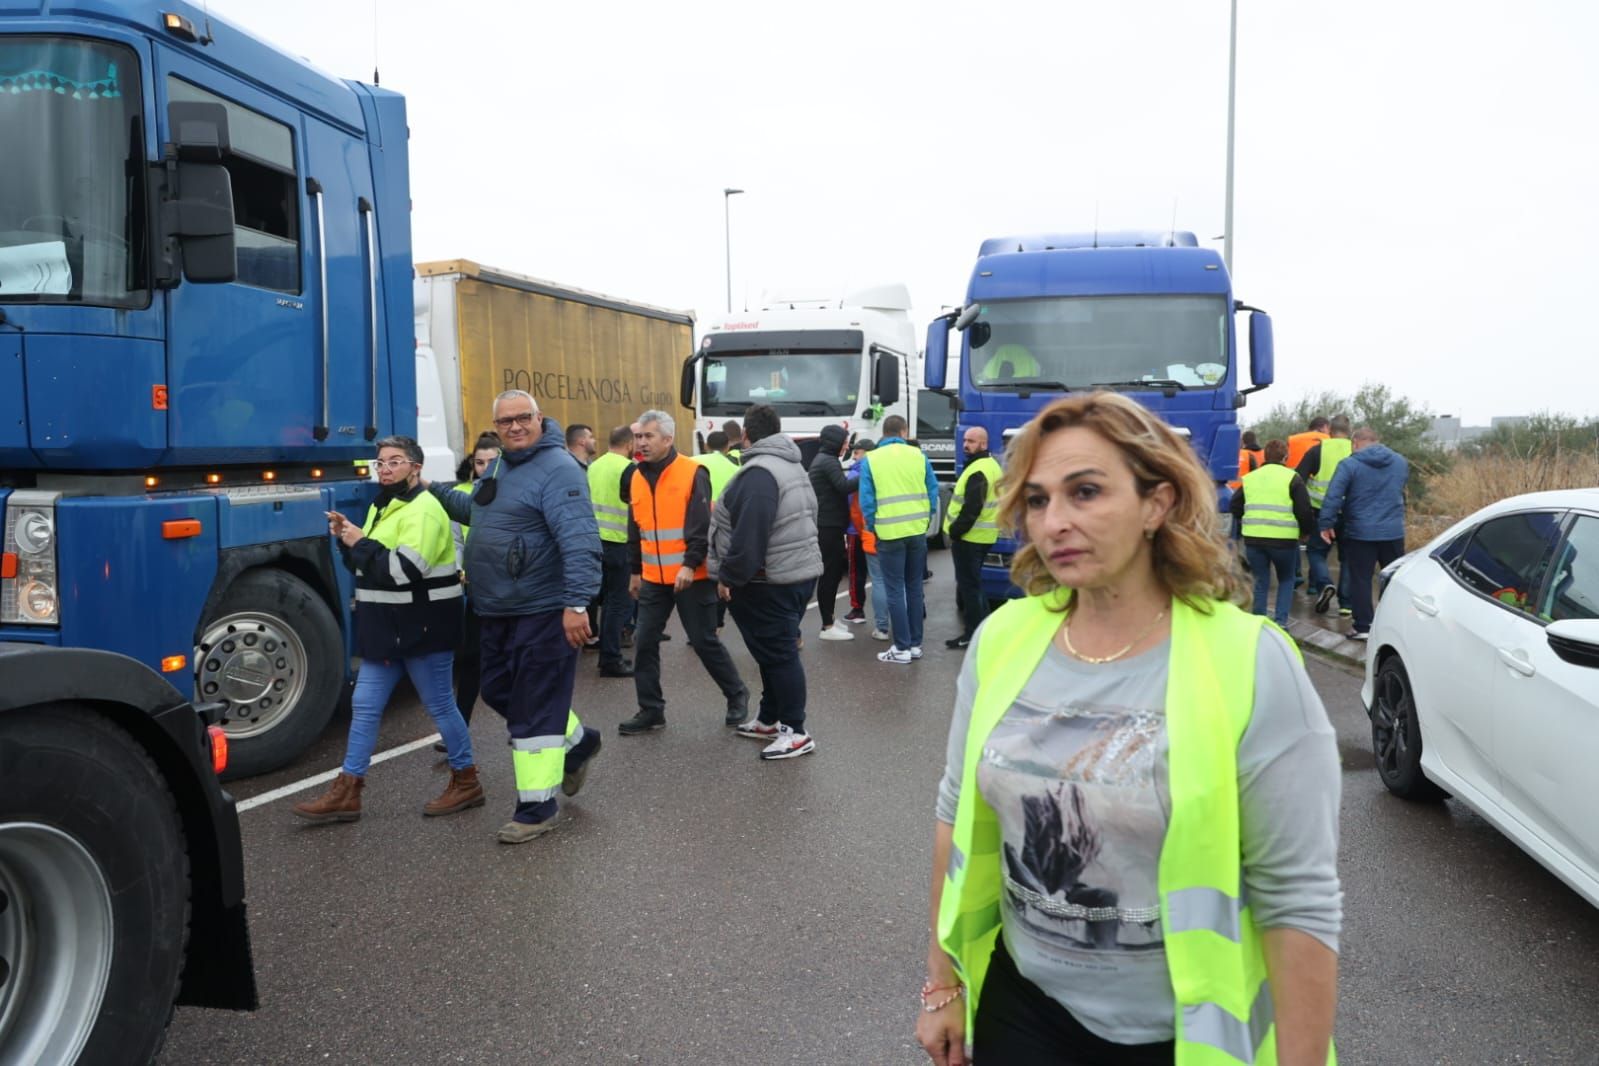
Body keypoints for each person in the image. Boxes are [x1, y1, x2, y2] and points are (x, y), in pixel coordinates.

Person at [918, 392, 1340, 1066]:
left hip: (1185, 1033)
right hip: (1023, 1010)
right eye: (1036, 500)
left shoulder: (1248, 660)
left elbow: (1298, 898)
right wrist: (942, 984)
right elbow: (954, 816)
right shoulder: (1003, 639)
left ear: (1157, 503)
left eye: (1084, 492)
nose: (1054, 522)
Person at [425, 390, 604, 845]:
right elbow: (483, 516)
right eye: (505, 421)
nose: (515, 427)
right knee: (501, 691)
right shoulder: (503, 464)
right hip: (496, 608)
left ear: (540, 419)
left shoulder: (559, 469)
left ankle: (536, 807)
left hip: (542, 609)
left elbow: (580, 540)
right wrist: (435, 493)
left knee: (535, 713)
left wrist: (577, 604)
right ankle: (579, 742)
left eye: (523, 418)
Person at [295, 435, 482, 823]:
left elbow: (402, 571)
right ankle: (349, 789)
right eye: (381, 463)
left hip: (423, 629)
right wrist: (349, 540)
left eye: (395, 462)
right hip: (387, 631)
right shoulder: (385, 506)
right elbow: (368, 566)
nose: (385, 469)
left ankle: (466, 781)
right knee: (364, 707)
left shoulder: (426, 509)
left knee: (441, 706)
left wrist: (359, 541)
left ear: (416, 468)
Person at [619, 409, 750, 735]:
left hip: (692, 576)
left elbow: (701, 526)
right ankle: (651, 710)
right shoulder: (635, 476)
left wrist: (690, 565)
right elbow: (635, 528)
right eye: (639, 436)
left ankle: (737, 694)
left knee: (704, 640)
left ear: (667, 439)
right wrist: (634, 571)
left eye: (649, 436)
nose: (642, 442)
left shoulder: (692, 472)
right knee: (644, 641)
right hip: (652, 578)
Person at [709, 404, 823, 760]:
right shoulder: (791, 464)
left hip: (768, 580)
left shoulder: (759, 472)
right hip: (793, 572)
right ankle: (771, 719)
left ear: (745, 434)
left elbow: (750, 534)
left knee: (779, 654)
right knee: (772, 653)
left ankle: (796, 731)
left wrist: (729, 576)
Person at [432, 430, 501, 754]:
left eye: (491, 461)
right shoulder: (464, 494)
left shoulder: (512, 493)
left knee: (512, 666)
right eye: (479, 461)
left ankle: (532, 727)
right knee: (471, 663)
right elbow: (457, 541)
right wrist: (460, 572)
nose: (484, 467)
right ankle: (457, 733)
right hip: (475, 592)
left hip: (507, 595)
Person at [1317, 426, 1409, 641]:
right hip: (1393, 532)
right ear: (1377, 441)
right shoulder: (1400, 462)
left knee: (1361, 580)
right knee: (1394, 580)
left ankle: (1363, 626)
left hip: (1360, 532)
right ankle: (1393, 625)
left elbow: (1333, 496)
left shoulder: (1349, 464)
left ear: (1355, 443)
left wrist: (1325, 523)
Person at [860, 414, 939, 664]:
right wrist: (925, 519)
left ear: (884, 433)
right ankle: (915, 644)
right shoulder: (919, 456)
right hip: (916, 531)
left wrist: (874, 525)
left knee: (895, 589)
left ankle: (901, 647)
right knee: (914, 587)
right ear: (904, 432)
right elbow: (933, 490)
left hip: (889, 532)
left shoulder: (871, 459)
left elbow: (867, 501)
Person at [1230, 438, 1315, 627]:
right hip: (1284, 541)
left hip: (1254, 539)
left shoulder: (1251, 478)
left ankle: (1259, 621)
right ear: (1286, 457)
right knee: (1286, 579)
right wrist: (1306, 532)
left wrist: (1247, 519)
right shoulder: (1292, 478)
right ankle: (1281, 622)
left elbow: (1235, 505)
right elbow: (1304, 510)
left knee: (1260, 580)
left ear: (1265, 457)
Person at [943, 426, 1002, 649]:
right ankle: (985, 631)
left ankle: (972, 634)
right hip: (982, 536)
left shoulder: (979, 470)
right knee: (975, 586)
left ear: (983, 444)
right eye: (965, 440)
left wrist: (956, 531)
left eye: (972, 441)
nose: (966, 445)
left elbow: (971, 509)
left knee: (970, 588)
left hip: (970, 538)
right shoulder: (990, 466)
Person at [589, 424, 636, 678]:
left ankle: (604, 651)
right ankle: (610, 659)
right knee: (617, 603)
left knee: (604, 601)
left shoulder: (593, 465)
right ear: (629, 445)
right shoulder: (629, 468)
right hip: (619, 542)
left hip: (594, 542)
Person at [1296, 415, 1353, 616]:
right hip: (1350, 513)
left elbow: (1298, 478)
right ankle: (1346, 604)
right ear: (1349, 432)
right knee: (1347, 557)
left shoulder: (1318, 449)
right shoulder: (1356, 451)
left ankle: (1325, 584)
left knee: (1316, 552)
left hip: (1320, 512)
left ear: (1329, 431)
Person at [809, 423, 858, 641]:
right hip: (827, 526)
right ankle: (827, 626)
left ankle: (828, 618)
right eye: (845, 442)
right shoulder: (828, 461)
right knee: (829, 574)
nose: (847, 446)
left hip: (829, 525)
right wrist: (866, 472)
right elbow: (843, 486)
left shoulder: (826, 459)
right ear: (835, 442)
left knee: (833, 574)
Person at [695, 430, 740, 503]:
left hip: (697, 509)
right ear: (728, 447)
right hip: (721, 510)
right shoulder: (737, 470)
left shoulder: (691, 462)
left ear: (706, 446)